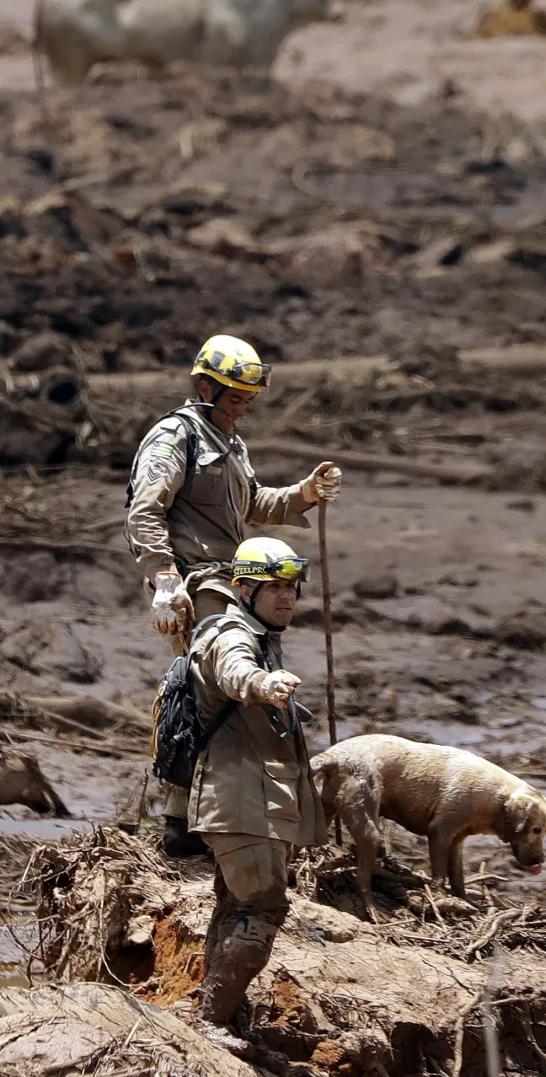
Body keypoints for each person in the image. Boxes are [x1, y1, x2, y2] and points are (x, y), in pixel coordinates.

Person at [126, 334, 340, 855]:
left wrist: (304, 493)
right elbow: (145, 511)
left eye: (248, 400)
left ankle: (197, 817)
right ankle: (182, 822)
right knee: (209, 691)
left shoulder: (230, 442)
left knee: (220, 697)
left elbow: (253, 504)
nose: (243, 409)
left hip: (236, 574)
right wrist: (165, 581)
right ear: (205, 387)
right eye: (235, 398)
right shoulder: (176, 438)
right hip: (195, 582)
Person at [186, 536, 327, 1026]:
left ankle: (215, 1008)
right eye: (273, 588)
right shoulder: (231, 634)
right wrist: (262, 684)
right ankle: (212, 1024)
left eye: (292, 587)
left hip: (249, 798)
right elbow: (234, 670)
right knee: (261, 910)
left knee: (234, 906)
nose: (287, 597)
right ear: (244, 589)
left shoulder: (264, 638)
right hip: (240, 799)